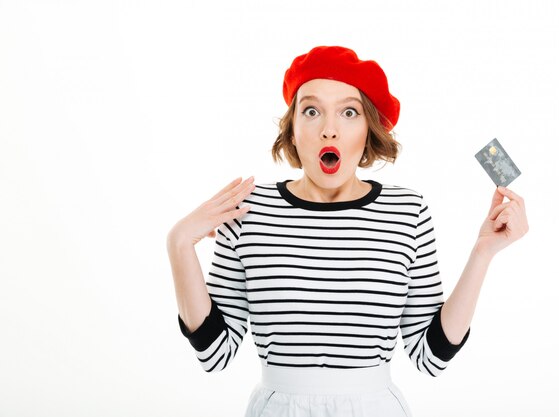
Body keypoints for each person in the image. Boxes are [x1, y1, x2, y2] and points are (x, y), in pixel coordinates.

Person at [166, 45, 529, 417]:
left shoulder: (408, 211)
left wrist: (482, 253)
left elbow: (431, 356)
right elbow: (214, 354)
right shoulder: (246, 209)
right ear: (292, 131)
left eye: (349, 112)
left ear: (368, 130)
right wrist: (179, 244)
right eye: (311, 111)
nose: (329, 130)